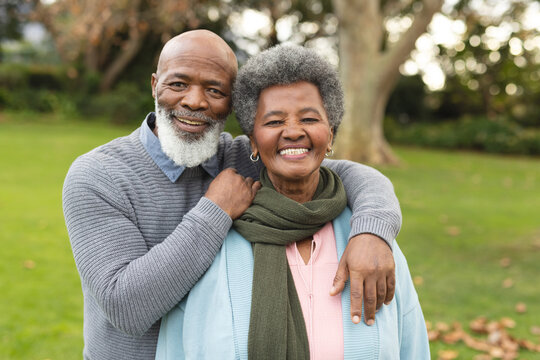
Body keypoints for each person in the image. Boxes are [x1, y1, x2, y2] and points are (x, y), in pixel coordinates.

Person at [62, 30, 402, 360]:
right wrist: (215, 210)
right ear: (155, 85)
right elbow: (126, 308)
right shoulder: (99, 175)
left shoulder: (245, 157)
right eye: (178, 84)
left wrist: (372, 231)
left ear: (233, 102)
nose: (194, 101)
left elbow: (345, 173)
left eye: (215, 89)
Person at [155, 44, 429, 359]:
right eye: (274, 122)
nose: (293, 132)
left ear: (331, 134)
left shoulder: (371, 242)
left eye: (309, 119)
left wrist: (373, 233)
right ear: (253, 142)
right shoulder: (215, 245)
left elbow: (413, 348)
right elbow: (173, 350)